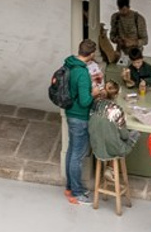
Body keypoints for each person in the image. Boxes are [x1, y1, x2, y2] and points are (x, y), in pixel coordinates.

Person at [60, 38, 97, 205]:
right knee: (77, 155)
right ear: (91, 54)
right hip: (80, 116)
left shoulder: (69, 64)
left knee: (71, 151)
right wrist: (94, 93)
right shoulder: (82, 73)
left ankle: (70, 186)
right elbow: (85, 101)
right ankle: (76, 192)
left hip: (69, 112)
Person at [90, 82, 139, 176]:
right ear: (116, 95)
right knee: (134, 133)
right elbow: (124, 136)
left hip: (96, 146)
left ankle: (110, 168)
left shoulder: (95, 103)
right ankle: (110, 169)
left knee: (110, 134)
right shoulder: (116, 110)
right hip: (112, 149)